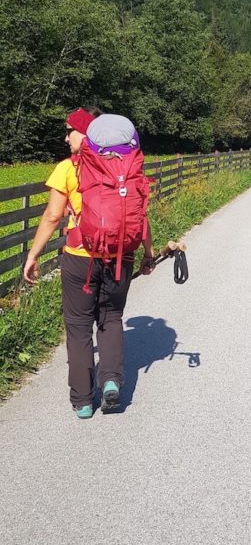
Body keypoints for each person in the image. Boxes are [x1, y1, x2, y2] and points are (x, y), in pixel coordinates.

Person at [23, 107, 155, 419]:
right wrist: (148, 253)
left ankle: (83, 400)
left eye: (70, 130)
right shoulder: (128, 168)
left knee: (79, 326)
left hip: (80, 259)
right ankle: (111, 381)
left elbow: (53, 216)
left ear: (85, 134)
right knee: (111, 318)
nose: (66, 137)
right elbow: (141, 215)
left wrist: (33, 254)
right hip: (120, 256)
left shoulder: (68, 169)